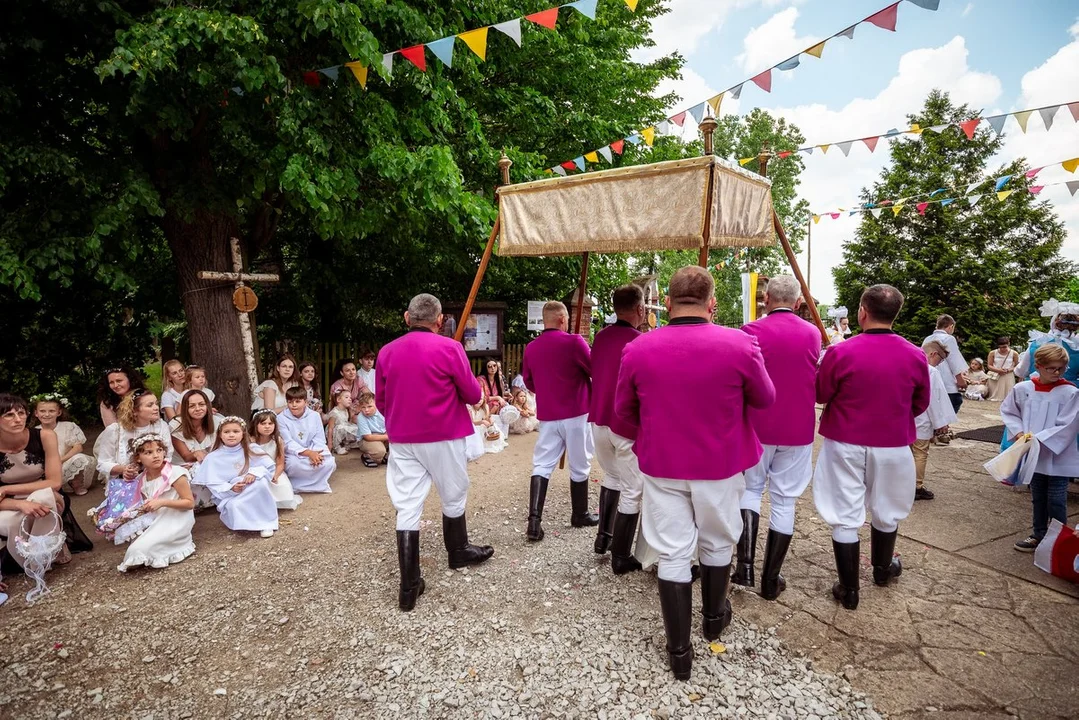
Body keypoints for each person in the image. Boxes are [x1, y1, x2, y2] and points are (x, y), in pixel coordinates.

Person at [615, 266, 775, 680]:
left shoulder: (638, 348)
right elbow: (765, 397)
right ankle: (714, 619)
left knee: (672, 550)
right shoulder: (740, 344)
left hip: (664, 461)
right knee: (718, 540)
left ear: (666, 303)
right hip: (719, 463)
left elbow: (623, 412)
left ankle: (679, 652)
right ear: (712, 304)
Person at [815, 284, 931, 612]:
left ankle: (849, 588)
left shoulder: (842, 352)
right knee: (887, 507)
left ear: (862, 312)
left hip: (846, 440)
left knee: (844, 513)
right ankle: (881, 571)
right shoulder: (915, 354)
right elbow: (920, 403)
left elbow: (821, 394)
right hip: (892, 442)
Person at [377, 293, 494, 612]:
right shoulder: (450, 348)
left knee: (407, 504)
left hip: (403, 437)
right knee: (453, 494)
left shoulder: (387, 352)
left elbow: (381, 402)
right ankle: (458, 551)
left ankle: (409, 584)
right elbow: (472, 393)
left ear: (407, 317)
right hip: (444, 433)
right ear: (440, 321)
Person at [733, 275, 821, 601]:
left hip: (757, 424)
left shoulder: (750, 331)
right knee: (785, 500)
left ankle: (744, 565)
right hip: (797, 427)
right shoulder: (813, 334)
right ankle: (771, 580)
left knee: (751, 490)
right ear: (798, 303)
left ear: (766, 298)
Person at [521, 301, 597, 542]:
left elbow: (529, 381)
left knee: (542, 464)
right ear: (563, 319)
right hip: (576, 411)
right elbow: (593, 369)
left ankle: (534, 521)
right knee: (580, 463)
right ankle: (580, 513)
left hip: (549, 414)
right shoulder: (574, 342)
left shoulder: (531, 348)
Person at [589, 284, 646, 573]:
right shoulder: (640, 341)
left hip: (598, 418)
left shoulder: (600, 337)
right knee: (633, 488)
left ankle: (603, 537)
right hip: (625, 423)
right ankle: (621, 556)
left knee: (612, 476)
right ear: (640, 309)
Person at [1000, 344, 1079, 552]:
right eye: (1052, 368)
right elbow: (1009, 412)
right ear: (1038, 365)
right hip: (1032, 454)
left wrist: (1039, 439)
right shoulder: (1023, 389)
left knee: (1056, 498)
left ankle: (1060, 539)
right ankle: (1039, 534)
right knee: (1038, 496)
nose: (1057, 373)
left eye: (1061, 368)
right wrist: (1018, 432)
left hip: (1057, 455)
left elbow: (1069, 424)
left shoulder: (1070, 392)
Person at [103, 433, 197, 572]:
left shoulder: (175, 473)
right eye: (148, 452)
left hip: (175, 518)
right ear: (138, 458)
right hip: (156, 519)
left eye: (159, 450)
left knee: (139, 550)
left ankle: (174, 544)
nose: (156, 455)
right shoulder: (142, 478)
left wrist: (163, 502)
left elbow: (189, 503)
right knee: (135, 549)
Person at [0, 394, 69, 577]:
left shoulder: (45, 436)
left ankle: (39, 560)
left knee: (42, 499)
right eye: (9, 415)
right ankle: (32, 563)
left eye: (21, 413)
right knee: (16, 520)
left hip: (47, 495)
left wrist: (6, 489)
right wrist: (19, 504)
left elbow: (55, 482)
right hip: (8, 504)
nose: (18, 419)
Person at [195, 418, 280, 538]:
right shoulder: (213, 457)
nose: (231, 435)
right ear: (220, 435)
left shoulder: (253, 449)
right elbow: (213, 484)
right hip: (232, 495)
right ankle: (247, 523)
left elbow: (269, 468)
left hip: (252, 488)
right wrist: (231, 488)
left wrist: (253, 473)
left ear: (243, 433)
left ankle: (266, 523)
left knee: (260, 483)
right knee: (234, 506)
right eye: (226, 432)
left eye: (235, 431)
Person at [94, 390, 175, 483]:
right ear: (135, 410)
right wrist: (124, 469)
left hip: (156, 479)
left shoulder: (161, 426)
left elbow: (168, 455)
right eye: (150, 405)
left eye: (156, 404)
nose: (156, 408)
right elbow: (103, 463)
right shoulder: (115, 430)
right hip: (125, 483)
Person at [912, 341, 957, 501]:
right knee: (920, 452)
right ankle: (916, 486)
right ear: (933, 354)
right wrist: (940, 423)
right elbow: (934, 399)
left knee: (904, 452)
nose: (940, 363)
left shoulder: (905, 365)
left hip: (902, 417)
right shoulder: (930, 371)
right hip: (922, 417)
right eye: (941, 359)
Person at [33, 394, 97, 495]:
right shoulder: (34, 432)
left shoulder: (68, 426)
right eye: (42, 411)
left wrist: (60, 460)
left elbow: (78, 447)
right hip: (46, 468)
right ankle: (52, 487)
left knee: (80, 458)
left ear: (59, 412)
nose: (47, 414)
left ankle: (76, 483)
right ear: (36, 413)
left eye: (51, 411)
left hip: (65, 462)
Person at [277, 386, 336, 493]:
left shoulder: (314, 416)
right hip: (294, 453)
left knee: (329, 462)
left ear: (305, 402)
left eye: (298, 401)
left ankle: (319, 484)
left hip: (314, 449)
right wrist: (308, 453)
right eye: (290, 402)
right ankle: (297, 485)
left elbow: (319, 439)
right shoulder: (281, 418)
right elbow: (287, 442)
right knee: (293, 464)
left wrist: (315, 454)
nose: (294, 405)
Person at [168, 389, 220, 511]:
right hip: (183, 466)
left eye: (201, 404)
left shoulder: (217, 421)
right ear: (185, 409)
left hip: (209, 463)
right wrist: (197, 454)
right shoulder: (176, 425)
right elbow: (186, 456)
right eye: (192, 406)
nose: (198, 408)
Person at [248, 410, 303, 511]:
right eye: (263, 423)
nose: (267, 426)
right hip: (255, 471)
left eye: (270, 423)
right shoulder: (250, 440)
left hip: (273, 470)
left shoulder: (277, 440)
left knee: (282, 487)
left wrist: (276, 476)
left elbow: (280, 463)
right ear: (255, 425)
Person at [1015, 299, 1079, 383]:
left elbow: (1020, 372)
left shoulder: (1038, 343)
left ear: (1053, 322)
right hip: (1070, 392)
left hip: (1037, 390)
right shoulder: (1076, 347)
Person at [922, 314, 968, 414]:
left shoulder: (927, 338)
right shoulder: (949, 339)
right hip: (947, 380)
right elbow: (954, 360)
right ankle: (943, 427)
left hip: (929, 376)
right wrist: (960, 379)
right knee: (954, 402)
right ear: (951, 326)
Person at [325, 389, 363, 458]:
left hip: (342, 429)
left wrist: (352, 414)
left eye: (350, 398)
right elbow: (330, 428)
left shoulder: (346, 410)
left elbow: (347, 422)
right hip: (334, 432)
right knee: (341, 427)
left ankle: (346, 444)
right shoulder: (334, 412)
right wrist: (329, 444)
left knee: (355, 427)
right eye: (346, 397)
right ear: (339, 399)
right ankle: (336, 447)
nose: (350, 399)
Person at [355, 392, 390, 466]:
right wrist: (389, 437)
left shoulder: (383, 411)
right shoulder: (361, 417)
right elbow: (368, 437)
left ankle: (385, 455)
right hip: (367, 439)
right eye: (363, 407)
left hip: (382, 435)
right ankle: (367, 456)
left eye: (369, 406)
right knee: (379, 451)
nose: (366, 410)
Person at [986, 336, 1020, 401]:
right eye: (1000, 347)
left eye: (1004, 347)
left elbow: (1016, 365)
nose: (1003, 349)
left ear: (1008, 344)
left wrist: (1008, 370)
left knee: (1008, 396)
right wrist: (998, 370)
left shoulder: (1014, 353)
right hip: (996, 375)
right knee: (994, 396)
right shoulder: (992, 353)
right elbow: (989, 365)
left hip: (1008, 375)